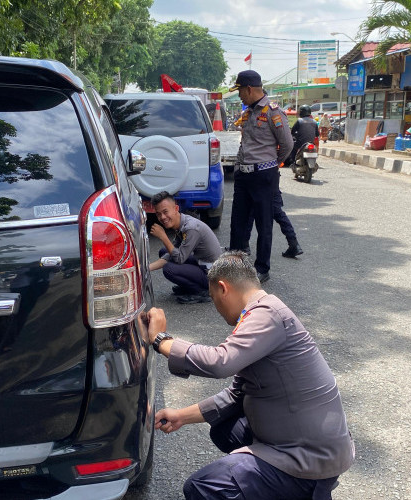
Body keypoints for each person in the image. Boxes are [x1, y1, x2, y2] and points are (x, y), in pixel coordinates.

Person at [145, 252, 355, 500]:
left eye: (213, 299)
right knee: (224, 427)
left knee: (203, 486)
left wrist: (160, 340)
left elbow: (220, 362)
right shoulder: (261, 312)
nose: (216, 308)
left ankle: (302, 488)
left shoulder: (267, 314)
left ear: (223, 288)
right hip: (296, 442)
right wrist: (181, 416)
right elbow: (237, 393)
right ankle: (277, 486)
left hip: (310, 457)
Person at [228, 70, 293, 284]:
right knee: (238, 222)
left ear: (249, 89)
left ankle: (262, 268)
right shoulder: (248, 112)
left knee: (263, 224)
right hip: (244, 175)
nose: (239, 96)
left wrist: (271, 164)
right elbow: (244, 144)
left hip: (264, 175)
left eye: (240, 91)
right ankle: (235, 264)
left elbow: (287, 145)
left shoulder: (274, 112)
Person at [149, 191, 222, 304]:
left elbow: (179, 258)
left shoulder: (191, 228)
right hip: (202, 263)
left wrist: (163, 237)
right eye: (158, 214)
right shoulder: (181, 223)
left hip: (213, 276)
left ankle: (202, 291)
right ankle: (190, 285)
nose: (162, 217)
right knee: (164, 251)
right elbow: (171, 253)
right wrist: (146, 268)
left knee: (169, 269)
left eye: (165, 212)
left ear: (176, 208)